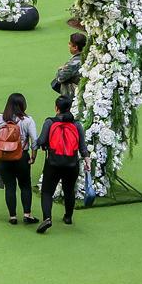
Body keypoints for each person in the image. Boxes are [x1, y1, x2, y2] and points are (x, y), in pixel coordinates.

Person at [35, 95, 90, 234]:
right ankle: (68, 217)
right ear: (70, 108)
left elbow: (41, 140)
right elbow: (83, 146)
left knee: (47, 192)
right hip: (72, 164)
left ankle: (47, 218)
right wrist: (87, 160)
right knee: (69, 190)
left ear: (56, 108)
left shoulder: (50, 122)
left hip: (53, 163)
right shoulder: (77, 125)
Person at [0, 93, 40, 225]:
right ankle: (27, 214)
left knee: (10, 187)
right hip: (21, 157)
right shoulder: (28, 120)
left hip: (4, 158)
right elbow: (34, 140)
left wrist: (3, 146)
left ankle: (12, 216)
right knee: (25, 186)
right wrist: (33, 156)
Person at [52, 33, 86, 99]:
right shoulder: (87, 56)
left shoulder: (73, 64)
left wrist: (60, 69)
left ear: (75, 47)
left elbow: (60, 77)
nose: (68, 45)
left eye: (70, 44)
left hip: (73, 96)